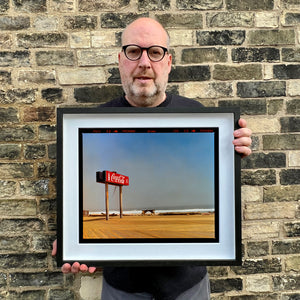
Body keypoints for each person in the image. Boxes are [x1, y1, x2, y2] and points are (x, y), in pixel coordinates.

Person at [52, 17, 252, 299]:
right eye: (134, 51)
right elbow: (76, 195)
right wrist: (73, 239)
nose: (144, 62)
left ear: (168, 62)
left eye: (155, 52)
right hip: (121, 289)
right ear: (120, 60)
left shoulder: (198, 115)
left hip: (189, 287)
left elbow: (219, 184)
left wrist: (234, 151)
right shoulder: (91, 123)